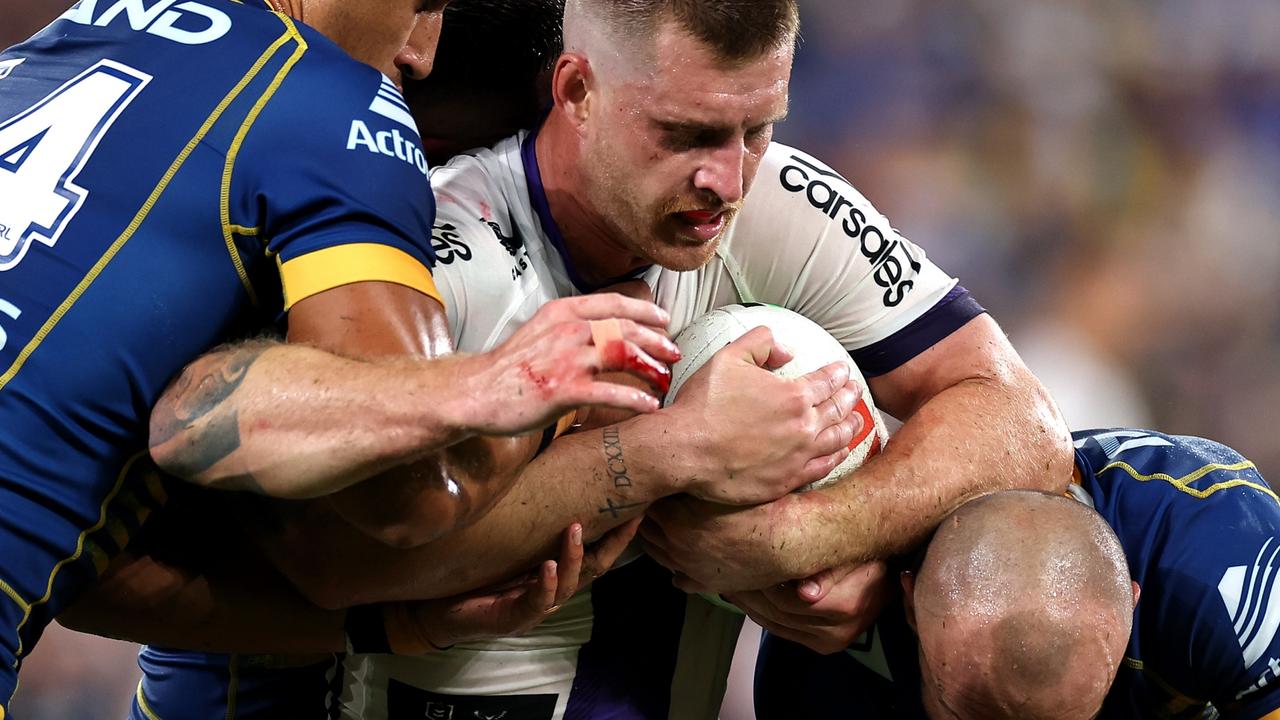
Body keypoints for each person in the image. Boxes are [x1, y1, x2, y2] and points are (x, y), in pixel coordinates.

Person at [122, 0, 1071, 717]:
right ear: (577, 90)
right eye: (688, 134)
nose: (728, 179)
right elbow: (329, 562)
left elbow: (1024, 424)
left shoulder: (775, 202)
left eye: (758, 127)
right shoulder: (437, 249)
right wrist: (669, 454)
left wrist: (824, 534)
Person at [0, 0, 673, 714]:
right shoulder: (333, 96)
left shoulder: (60, 43)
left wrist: (397, 625)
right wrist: (534, 392)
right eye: (422, 4)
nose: (421, 52)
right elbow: (403, 494)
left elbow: (89, 579)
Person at [753, 428, 1280, 720]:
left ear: (1130, 609)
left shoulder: (1226, 571)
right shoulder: (828, 655)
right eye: (968, 715)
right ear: (909, 603)